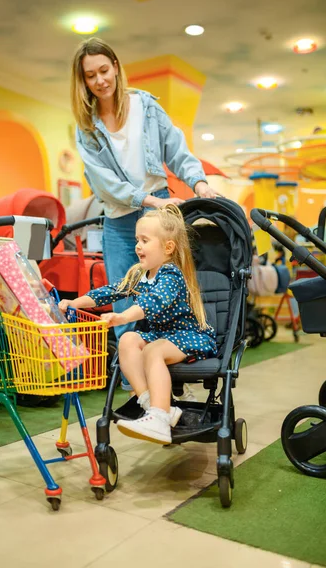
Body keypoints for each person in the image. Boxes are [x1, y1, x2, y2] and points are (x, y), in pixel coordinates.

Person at [70, 37, 218, 395]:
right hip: (122, 221)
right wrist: (143, 198)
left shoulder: (146, 108)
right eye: (91, 75)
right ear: (84, 81)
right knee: (125, 297)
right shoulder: (87, 127)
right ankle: (136, 387)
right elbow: (103, 184)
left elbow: (177, 149)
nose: (100, 80)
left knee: (169, 292)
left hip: (161, 211)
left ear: (116, 67)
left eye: (104, 70)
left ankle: (165, 369)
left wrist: (199, 184)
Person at [59, 205, 217, 444]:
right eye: (137, 240)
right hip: (161, 336)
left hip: (188, 336)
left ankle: (160, 417)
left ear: (168, 247)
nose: (137, 246)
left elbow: (153, 302)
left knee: (152, 350)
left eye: (144, 240)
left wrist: (122, 317)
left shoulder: (171, 275)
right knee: (127, 340)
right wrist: (75, 302)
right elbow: (111, 292)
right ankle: (151, 404)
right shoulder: (139, 274)